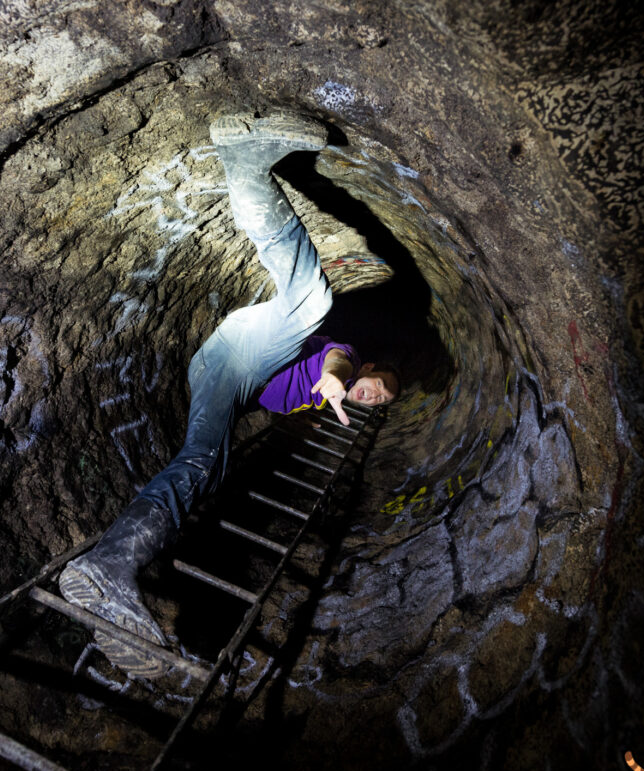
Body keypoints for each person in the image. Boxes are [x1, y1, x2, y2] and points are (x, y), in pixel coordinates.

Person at [59, 111, 399, 678]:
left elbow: (296, 396)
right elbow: (339, 357)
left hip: (228, 378)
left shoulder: (325, 405)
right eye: (378, 386)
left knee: (203, 467)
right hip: (242, 354)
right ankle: (243, 163)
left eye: (378, 403)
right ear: (374, 368)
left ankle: (109, 566)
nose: (371, 395)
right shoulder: (344, 362)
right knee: (312, 300)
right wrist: (338, 374)